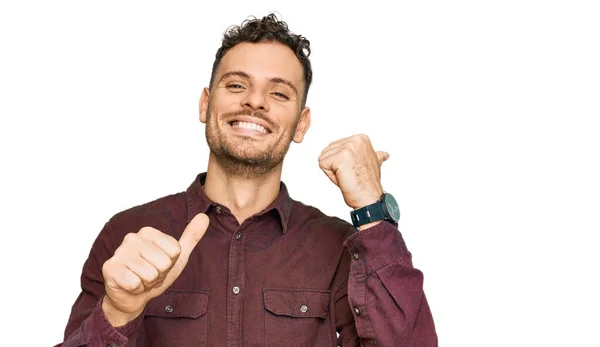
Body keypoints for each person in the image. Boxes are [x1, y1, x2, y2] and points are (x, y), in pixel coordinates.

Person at [56, 13, 437, 347]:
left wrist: (372, 210)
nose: (255, 102)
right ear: (206, 104)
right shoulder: (127, 236)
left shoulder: (342, 249)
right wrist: (118, 313)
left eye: (278, 92)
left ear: (301, 124)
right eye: (237, 85)